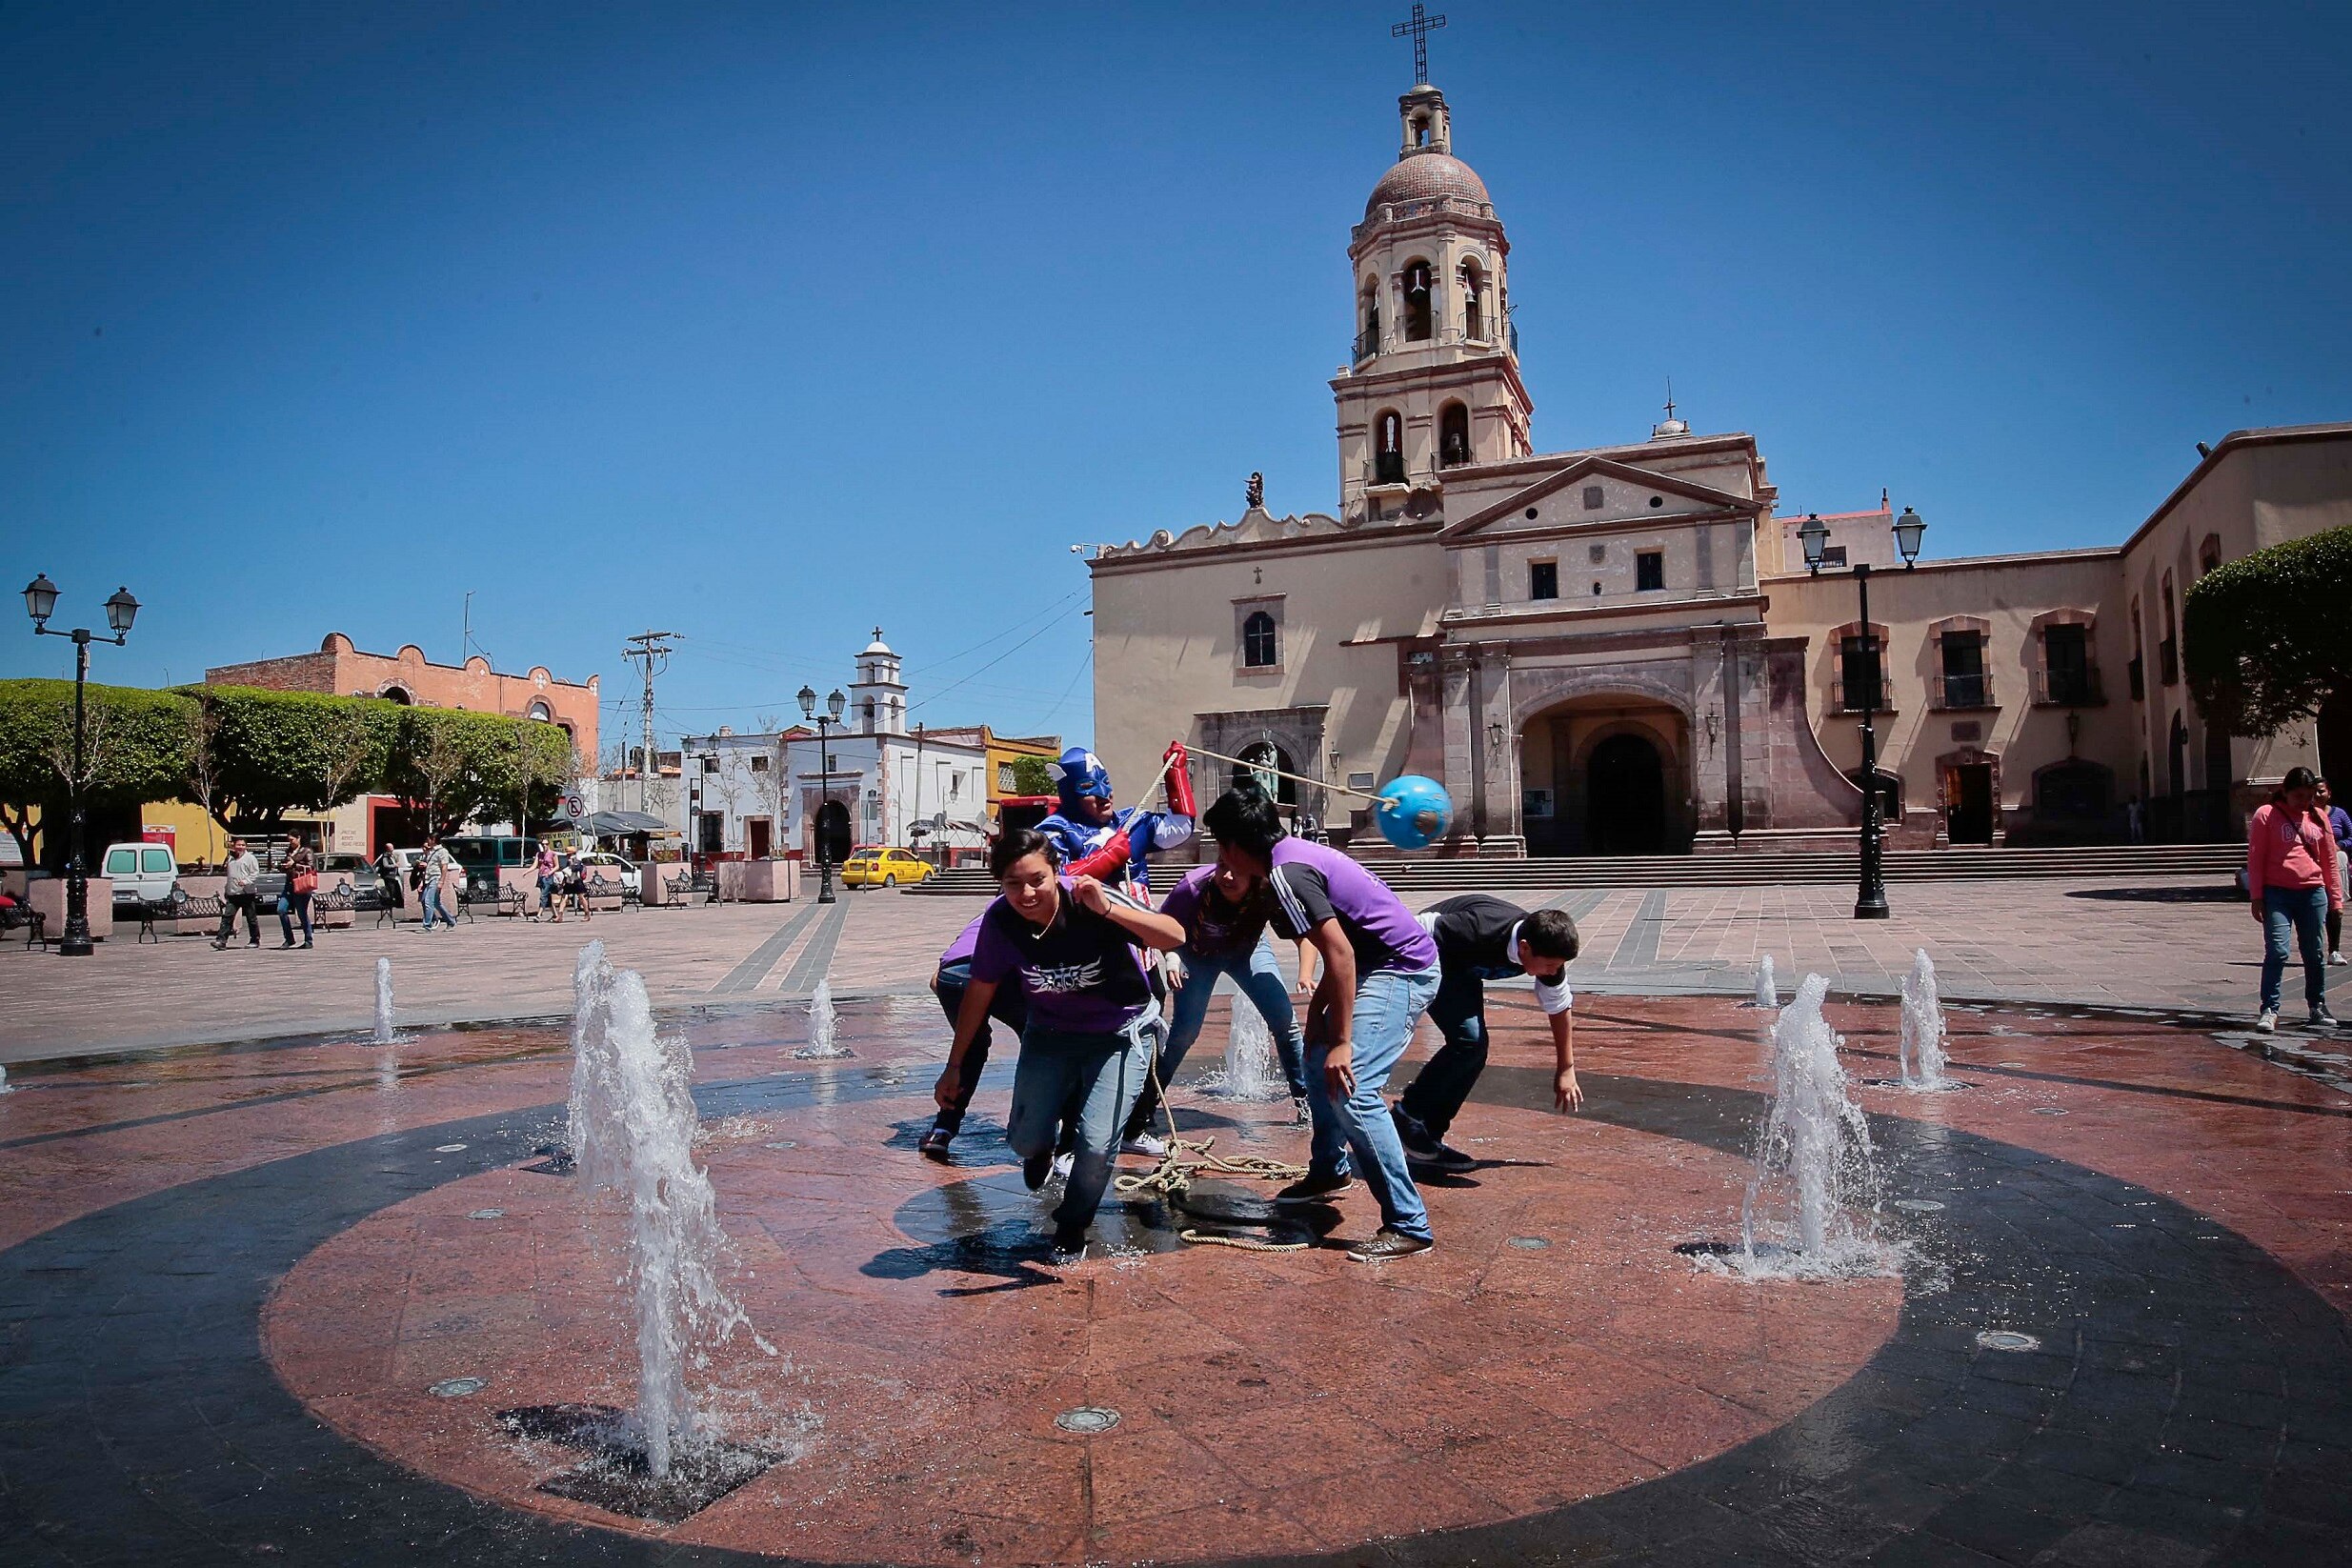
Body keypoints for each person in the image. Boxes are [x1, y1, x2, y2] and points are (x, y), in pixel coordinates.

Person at [1203, 784, 1442, 1262]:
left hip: (1403, 968)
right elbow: (1340, 952)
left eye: (1218, 845)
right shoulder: (1290, 858)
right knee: (1316, 1061)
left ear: (1231, 846)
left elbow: (1341, 953)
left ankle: (1408, 1223)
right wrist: (1319, 1027)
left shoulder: (1287, 874)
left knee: (1354, 1090)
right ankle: (1330, 1169)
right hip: (1377, 966)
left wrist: (1343, 1041)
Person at [933, 829, 1186, 1262]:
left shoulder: (1089, 898)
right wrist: (954, 1066)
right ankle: (1041, 1148)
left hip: (1119, 1035)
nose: (1027, 893)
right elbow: (980, 990)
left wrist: (1108, 908)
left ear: (1057, 872)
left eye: (1037, 880)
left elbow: (1173, 935)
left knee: (1096, 1143)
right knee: (1025, 1141)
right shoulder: (1001, 921)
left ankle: (1072, 1224)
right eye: (1013, 883)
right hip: (1049, 1036)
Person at [1116, 858, 1313, 1156]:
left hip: (1248, 951)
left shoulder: (1270, 886)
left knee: (1286, 1024)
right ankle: (1141, 1114)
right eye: (1223, 866)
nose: (1228, 875)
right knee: (1184, 1034)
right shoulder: (1193, 886)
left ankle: (1306, 1104)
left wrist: (1306, 973)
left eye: (1237, 868)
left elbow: (1304, 934)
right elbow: (1161, 928)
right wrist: (1172, 958)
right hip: (1196, 955)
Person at [1390, 895, 1584, 1175]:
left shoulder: (1547, 948)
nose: (1553, 972)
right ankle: (1408, 1117)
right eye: (1550, 966)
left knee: (1474, 1049)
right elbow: (1419, 926)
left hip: (1464, 968)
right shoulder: (1478, 929)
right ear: (1525, 948)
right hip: (1435, 953)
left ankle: (1425, 1134)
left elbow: (1559, 1006)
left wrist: (1566, 1068)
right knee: (1470, 1042)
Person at [916, 912, 1033, 1160]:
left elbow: (935, 981)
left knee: (971, 1048)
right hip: (998, 974)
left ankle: (942, 1130)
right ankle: (1032, 1126)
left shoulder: (982, 917)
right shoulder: (1031, 908)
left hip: (951, 977)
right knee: (1038, 1044)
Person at [2248, 765, 2342, 1033]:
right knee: (2277, 950)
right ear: (2285, 792)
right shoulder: (2266, 815)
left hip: (2312, 892)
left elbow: (2329, 862)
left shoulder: (2318, 819)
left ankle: (2317, 1005)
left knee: (2314, 952)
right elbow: (2256, 858)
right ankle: (2269, 1009)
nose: (2304, 802)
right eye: (2298, 796)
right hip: (2277, 893)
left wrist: (2335, 900)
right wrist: (2257, 896)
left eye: (2309, 796)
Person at [1035, 744, 1196, 895]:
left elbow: (1180, 828)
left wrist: (1176, 774)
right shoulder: (1053, 833)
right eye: (1087, 787)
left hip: (1137, 918)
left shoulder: (1131, 823)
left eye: (1106, 782)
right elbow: (1053, 882)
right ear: (1070, 795)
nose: (1104, 794)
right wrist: (1107, 857)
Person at [2320, 778, 2352, 965]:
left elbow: (2351, 835)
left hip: (2335, 864)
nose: (2318, 795)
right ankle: (2315, 949)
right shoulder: (2306, 815)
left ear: (2329, 793)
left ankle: (2334, 949)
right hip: (2313, 867)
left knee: (2335, 906)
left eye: (2322, 791)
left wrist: (2341, 845)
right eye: (2314, 791)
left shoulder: (2339, 814)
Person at [212, 836, 261, 949]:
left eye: (243, 845)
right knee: (227, 917)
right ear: (234, 846)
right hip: (233, 893)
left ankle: (254, 940)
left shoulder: (250, 858)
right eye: (238, 845)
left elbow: (255, 873)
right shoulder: (231, 859)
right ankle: (221, 941)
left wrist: (245, 882)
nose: (241, 847)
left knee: (251, 918)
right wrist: (227, 890)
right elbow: (230, 876)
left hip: (246, 893)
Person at [277, 837, 316, 950]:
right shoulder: (288, 852)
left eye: (292, 839)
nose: (290, 842)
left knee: (301, 913)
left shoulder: (306, 851)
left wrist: (294, 864)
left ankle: (308, 940)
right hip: (289, 885)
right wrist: (282, 866)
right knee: (281, 909)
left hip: (301, 885)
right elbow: (285, 867)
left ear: (299, 838)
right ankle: (289, 939)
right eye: (289, 840)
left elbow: (311, 867)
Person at [417, 835, 457, 931]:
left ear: (433, 840)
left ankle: (427, 925)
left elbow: (444, 867)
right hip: (428, 878)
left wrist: (441, 882)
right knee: (433, 902)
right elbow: (429, 866)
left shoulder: (442, 851)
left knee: (428, 901)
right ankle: (450, 921)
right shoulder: (431, 851)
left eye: (429, 840)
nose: (427, 842)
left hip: (435, 878)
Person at [373, 842, 405, 916]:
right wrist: (395, 865)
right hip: (388, 876)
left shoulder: (392, 855)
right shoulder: (385, 856)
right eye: (391, 848)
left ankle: (393, 903)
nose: (393, 849)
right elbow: (386, 865)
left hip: (393, 876)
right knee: (390, 890)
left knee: (393, 890)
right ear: (388, 848)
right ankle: (389, 905)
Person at [534, 842, 562, 922]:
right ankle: (555, 915)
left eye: (546, 844)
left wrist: (550, 873)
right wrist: (527, 871)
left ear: (548, 844)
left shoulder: (553, 854)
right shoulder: (539, 854)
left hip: (548, 878)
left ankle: (538, 915)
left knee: (543, 896)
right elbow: (535, 865)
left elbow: (557, 866)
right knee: (548, 897)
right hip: (541, 877)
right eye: (543, 844)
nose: (544, 845)